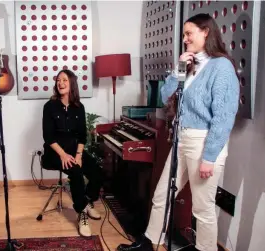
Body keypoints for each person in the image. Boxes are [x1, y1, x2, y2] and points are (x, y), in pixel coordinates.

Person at [117, 13, 239, 251]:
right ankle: (149, 242)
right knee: (161, 195)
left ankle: (206, 249)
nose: (184, 39)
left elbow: (224, 118)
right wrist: (180, 68)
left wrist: (209, 157)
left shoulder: (221, 67)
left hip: (203, 142)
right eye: (183, 34)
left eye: (188, 33)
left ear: (206, 32)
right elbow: (165, 96)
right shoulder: (192, 64)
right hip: (182, 140)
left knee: (202, 208)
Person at [41, 69, 103, 237]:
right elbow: (48, 136)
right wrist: (62, 154)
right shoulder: (50, 106)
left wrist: (78, 155)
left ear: (72, 84)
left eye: (64, 80)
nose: (60, 83)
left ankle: (87, 201)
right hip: (54, 153)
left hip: (74, 151)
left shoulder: (78, 107)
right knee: (76, 172)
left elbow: (82, 135)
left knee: (97, 172)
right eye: (58, 80)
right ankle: (82, 213)